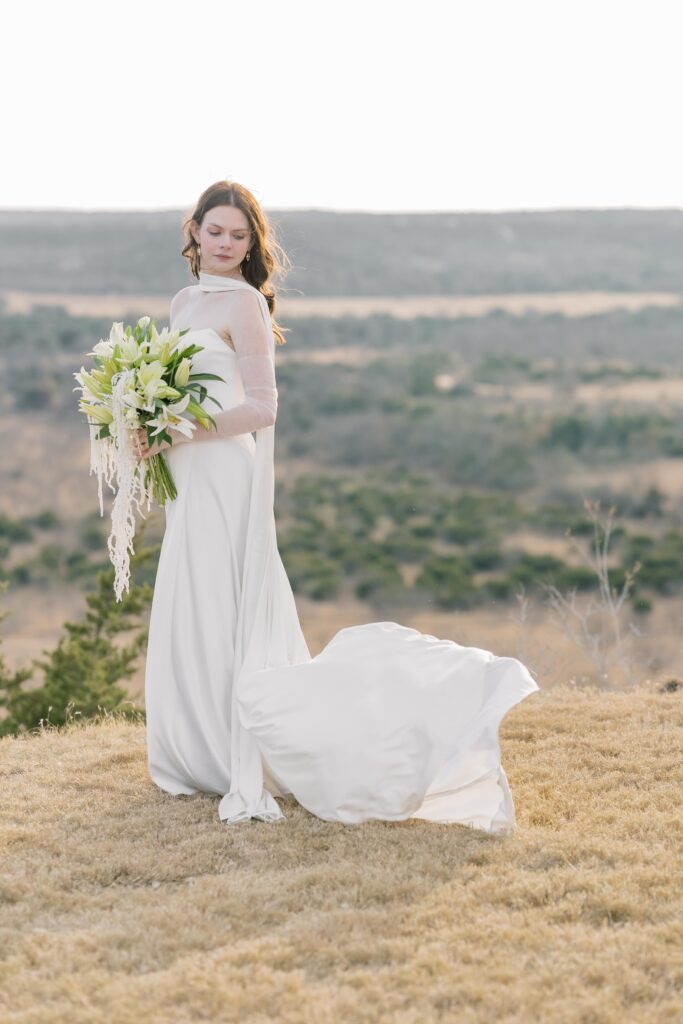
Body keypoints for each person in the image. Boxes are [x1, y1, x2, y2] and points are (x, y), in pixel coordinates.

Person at [136, 180, 539, 831]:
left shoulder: (242, 306)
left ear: (251, 244)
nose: (226, 244)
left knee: (223, 604)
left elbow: (262, 407)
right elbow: (176, 392)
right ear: (194, 230)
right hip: (188, 476)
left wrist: (183, 430)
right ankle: (202, 749)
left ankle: (244, 750)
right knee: (196, 605)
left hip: (222, 474)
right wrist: (147, 426)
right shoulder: (184, 300)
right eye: (215, 231)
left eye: (239, 236)